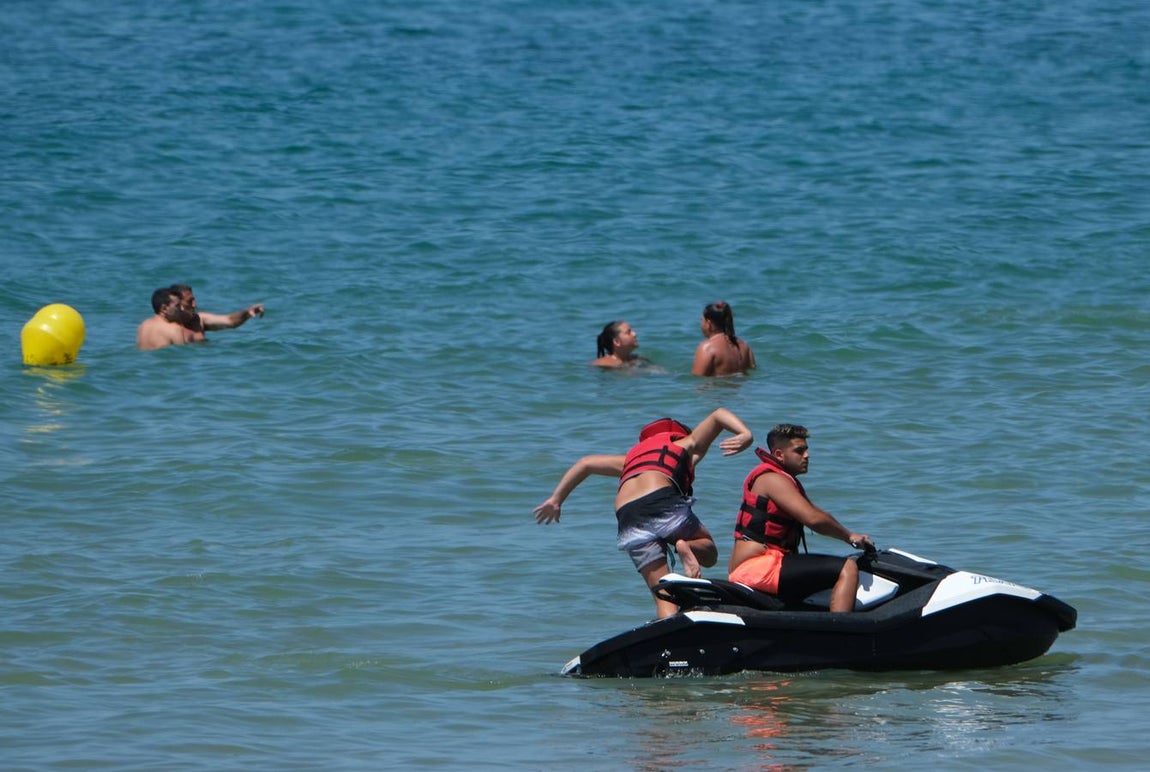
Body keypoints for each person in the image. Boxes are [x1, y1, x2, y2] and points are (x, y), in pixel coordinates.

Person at [534, 409, 754, 618]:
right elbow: (718, 415)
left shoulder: (630, 459)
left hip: (627, 516)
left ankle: (669, 642)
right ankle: (684, 546)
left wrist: (556, 499)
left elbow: (586, 463)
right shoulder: (684, 444)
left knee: (664, 597)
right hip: (661, 501)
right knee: (709, 552)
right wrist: (745, 434)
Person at [727, 424, 874, 612]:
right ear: (779, 454)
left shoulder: (784, 480)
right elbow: (813, 518)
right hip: (759, 568)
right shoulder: (771, 479)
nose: (807, 455)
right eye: (799, 450)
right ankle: (840, 633)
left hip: (766, 566)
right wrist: (849, 536)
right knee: (847, 568)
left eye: (806, 449)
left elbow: (818, 514)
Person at [170, 283, 264, 343]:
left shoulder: (199, 319)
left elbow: (230, 321)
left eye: (194, 300)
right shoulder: (167, 327)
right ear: (177, 304)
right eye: (189, 301)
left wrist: (247, 313)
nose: (195, 305)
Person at [692, 301, 756, 377]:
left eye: (701, 320)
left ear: (708, 323)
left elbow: (697, 381)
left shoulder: (707, 348)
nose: (701, 324)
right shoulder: (745, 347)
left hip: (718, 388)